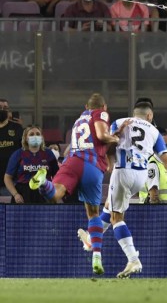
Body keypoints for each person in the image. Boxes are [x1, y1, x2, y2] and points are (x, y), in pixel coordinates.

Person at [85, 104, 167, 278]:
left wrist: (110, 153)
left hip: (123, 170)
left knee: (116, 218)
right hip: (141, 177)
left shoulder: (119, 122)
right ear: (149, 116)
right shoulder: (155, 132)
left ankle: (133, 259)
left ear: (134, 114)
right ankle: (91, 239)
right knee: (110, 205)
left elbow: (104, 141)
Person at [29, 93, 122, 275]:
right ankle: (96, 255)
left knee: (55, 195)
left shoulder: (79, 120)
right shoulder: (100, 113)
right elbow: (103, 136)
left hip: (73, 160)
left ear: (86, 106)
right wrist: (116, 138)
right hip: (92, 166)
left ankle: (43, 182)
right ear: (104, 107)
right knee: (93, 213)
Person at [4, 125, 59, 204]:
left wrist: (54, 193)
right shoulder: (18, 154)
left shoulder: (48, 153)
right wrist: (15, 194)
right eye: (31, 134)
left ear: (41, 137)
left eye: (37, 134)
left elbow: (57, 175)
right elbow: (7, 177)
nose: (35, 136)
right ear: (26, 138)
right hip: (23, 194)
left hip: (44, 192)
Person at [138, 132, 167, 204]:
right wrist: (158, 212)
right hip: (156, 210)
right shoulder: (153, 164)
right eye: (165, 145)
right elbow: (153, 196)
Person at [0, 99, 24, 197]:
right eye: (0, 107)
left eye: (5, 108)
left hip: (11, 181)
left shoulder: (17, 128)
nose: (2, 110)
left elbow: (25, 149)